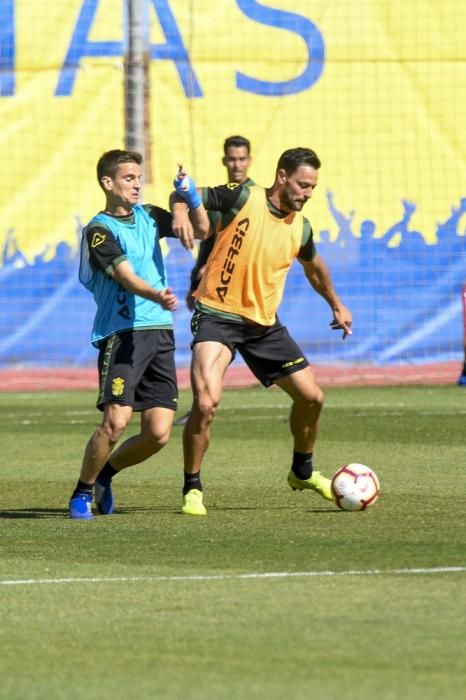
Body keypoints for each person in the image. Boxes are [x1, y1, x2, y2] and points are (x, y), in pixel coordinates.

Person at [174, 147, 352, 516]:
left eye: (313, 188)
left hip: (263, 325)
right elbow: (186, 193)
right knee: (205, 404)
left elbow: (314, 267)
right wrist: (180, 211)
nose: (307, 193)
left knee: (312, 398)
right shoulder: (242, 196)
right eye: (303, 184)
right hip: (217, 315)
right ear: (282, 177)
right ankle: (192, 487)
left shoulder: (301, 227)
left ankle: (302, 471)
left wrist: (335, 302)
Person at [68, 149, 208, 519]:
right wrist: (155, 294)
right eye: (129, 178)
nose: (136, 183)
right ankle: (82, 492)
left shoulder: (147, 216)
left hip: (160, 333)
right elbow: (125, 276)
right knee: (115, 421)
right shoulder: (99, 231)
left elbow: (202, 230)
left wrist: (186, 199)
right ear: (107, 183)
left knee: (159, 433)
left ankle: (105, 476)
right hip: (123, 335)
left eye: (139, 177)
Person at [173, 135, 255, 427]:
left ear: (249, 160)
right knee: (206, 345)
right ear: (224, 161)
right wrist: (195, 278)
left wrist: (211, 266)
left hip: (243, 285)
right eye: (231, 159)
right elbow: (207, 241)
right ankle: (201, 406)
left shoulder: (253, 197)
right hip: (213, 286)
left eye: (241, 159)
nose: (236, 164)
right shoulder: (220, 196)